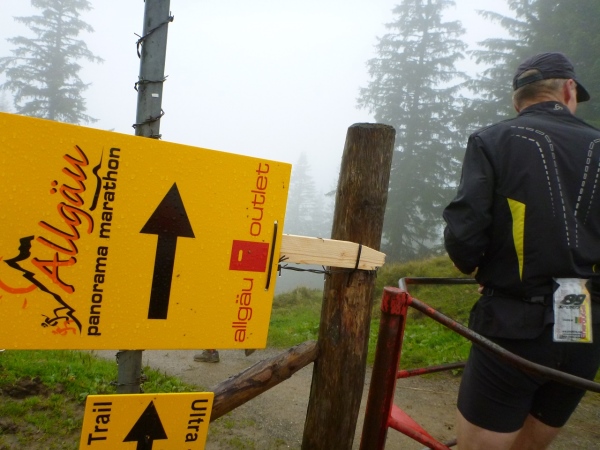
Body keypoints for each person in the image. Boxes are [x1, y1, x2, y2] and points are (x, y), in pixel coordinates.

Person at [443, 52, 600, 450]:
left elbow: (465, 236)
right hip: (585, 324)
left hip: (513, 323)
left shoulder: (493, 140)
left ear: (517, 100)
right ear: (569, 89)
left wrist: (483, 269)